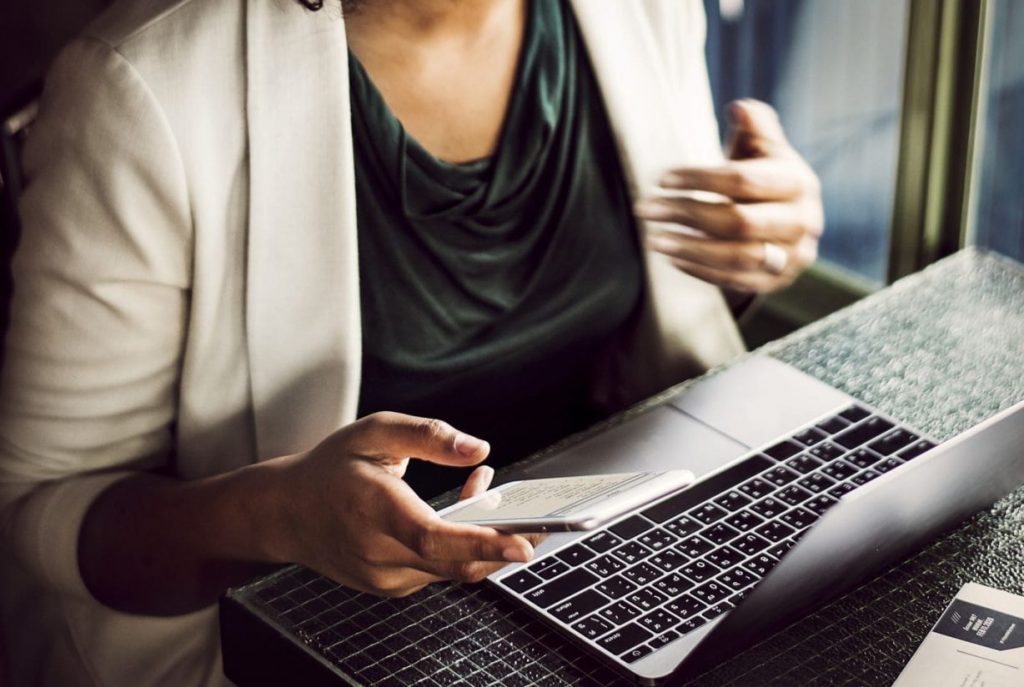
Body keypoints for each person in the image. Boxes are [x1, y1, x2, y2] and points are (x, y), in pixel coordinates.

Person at [0, 0, 823, 685]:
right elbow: (39, 508)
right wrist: (276, 518)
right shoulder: (141, 88)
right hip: (322, 642)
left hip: (604, 580)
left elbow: (630, 325)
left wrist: (752, 249)